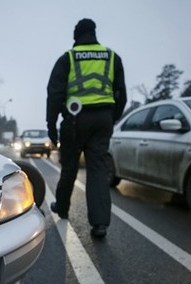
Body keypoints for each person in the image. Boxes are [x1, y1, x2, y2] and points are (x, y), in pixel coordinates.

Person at [46, 18, 127, 238]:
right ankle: (100, 224)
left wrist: (51, 127)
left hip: (74, 120)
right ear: (94, 34)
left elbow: (54, 94)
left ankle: (62, 208)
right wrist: (112, 117)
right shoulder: (112, 57)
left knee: (70, 167)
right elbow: (121, 92)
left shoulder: (68, 58)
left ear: (76, 36)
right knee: (98, 169)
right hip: (103, 119)